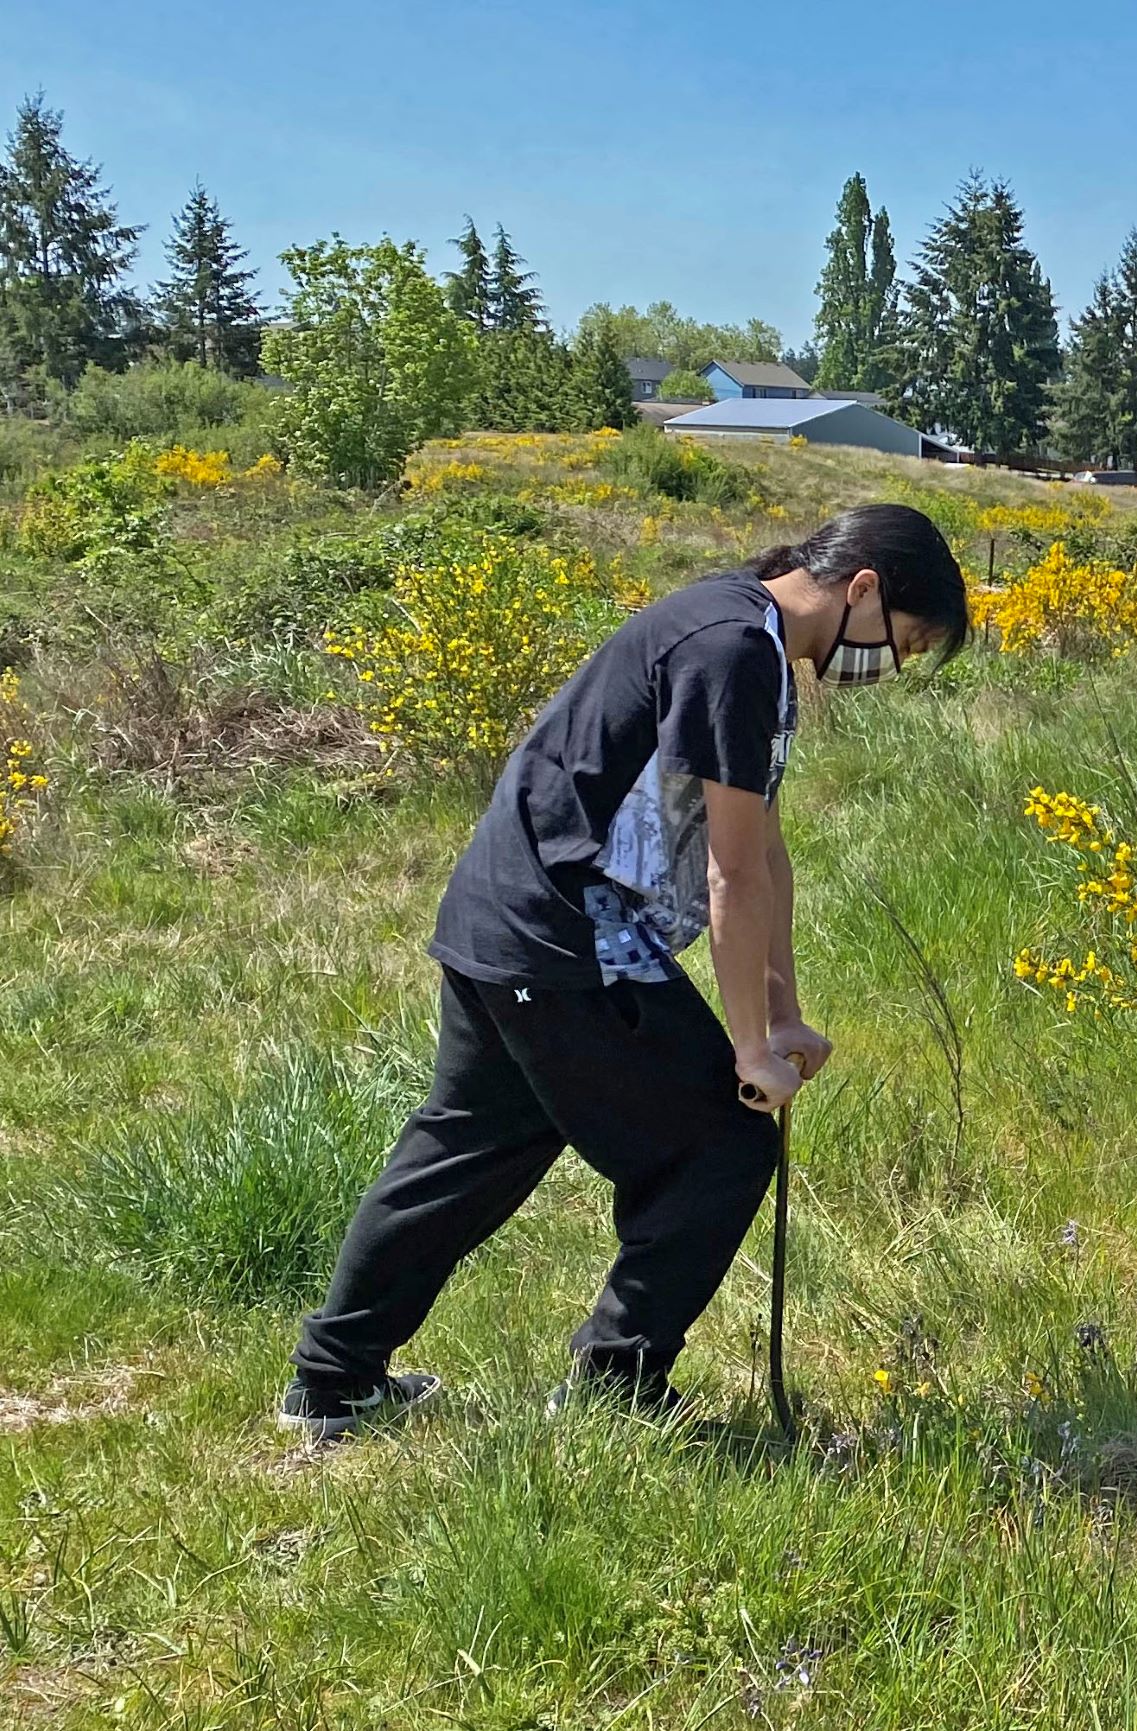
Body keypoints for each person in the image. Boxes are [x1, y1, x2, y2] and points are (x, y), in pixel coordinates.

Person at [281, 504, 968, 1441]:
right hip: (565, 938)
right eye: (905, 639)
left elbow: (764, 849)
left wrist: (782, 1010)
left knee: (464, 1152)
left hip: (515, 917)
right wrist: (747, 1055)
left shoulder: (743, 632)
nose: (887, 665)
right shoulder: (734, 649)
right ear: (863, 589)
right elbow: (728, 871)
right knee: (724, 1143)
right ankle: (615, 1387)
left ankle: (331, 1383)